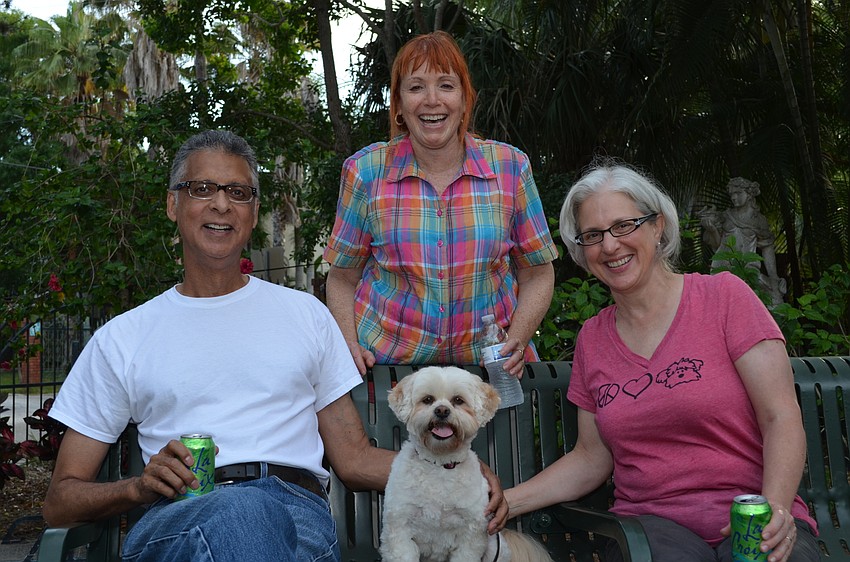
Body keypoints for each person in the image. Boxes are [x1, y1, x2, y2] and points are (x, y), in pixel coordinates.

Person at [42, 130, 507, 561]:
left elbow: (354, 459)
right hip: (176, 516)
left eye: (238, 192)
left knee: (254, 516)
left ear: (253, 211)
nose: (221, 204)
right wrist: (137, 490)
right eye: (202, 189)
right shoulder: (122, 338)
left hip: (297, 518)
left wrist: (460, 473)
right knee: (242, 513)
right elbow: (59, 502)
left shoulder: (304, 315)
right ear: (172, 204)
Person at [503, 161, 820, 562]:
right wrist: (506, 502)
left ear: (657, 227)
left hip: (752, 512)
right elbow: (591, 456)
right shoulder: (592, 339)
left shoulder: (725, 298)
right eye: (593, 235)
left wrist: (773, 509)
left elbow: (781, 417)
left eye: (624, 225)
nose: (611, 245)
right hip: (651, 530)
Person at [323, 31, 557, 375]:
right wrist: (348, 345)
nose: (432, 100)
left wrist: (516, 342)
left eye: (446, 85)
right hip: (390, 374)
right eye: (416, 87)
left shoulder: (510, 168)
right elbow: (342, 278)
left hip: (488, 375)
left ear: (465, 99)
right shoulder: (366, 172)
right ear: (399, 105)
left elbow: (538, 272)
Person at [699, 177, 787, 306]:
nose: (734, 197)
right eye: (732, 194)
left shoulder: (758, 220)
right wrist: (712, 230)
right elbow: (717, 245)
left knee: (771, 300)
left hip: (748, 268)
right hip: (722, 266)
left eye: (738, 193)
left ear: (749, 194)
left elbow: (767, 248)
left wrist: (773, 276)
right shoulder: (725, 216)